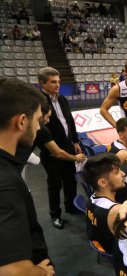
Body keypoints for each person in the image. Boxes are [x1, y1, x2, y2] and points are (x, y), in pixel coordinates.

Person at [0, 77, 55, 275]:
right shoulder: (6, 183)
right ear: (22, 121)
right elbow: (12, 271)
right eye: (37, 120)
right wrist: (40, 272)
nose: (39, 127)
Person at [38, 67, 83, 230]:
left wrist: (76, 141)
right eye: (53, 82)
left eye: (58, 81)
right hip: (52, 152)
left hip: (69, 147)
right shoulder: (40, 102)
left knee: (70, 181)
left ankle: (71, 206)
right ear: (42, 83)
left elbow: (70, 121)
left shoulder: (62, 99)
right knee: (54, 185)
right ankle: (55, 214)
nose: (57, 84)